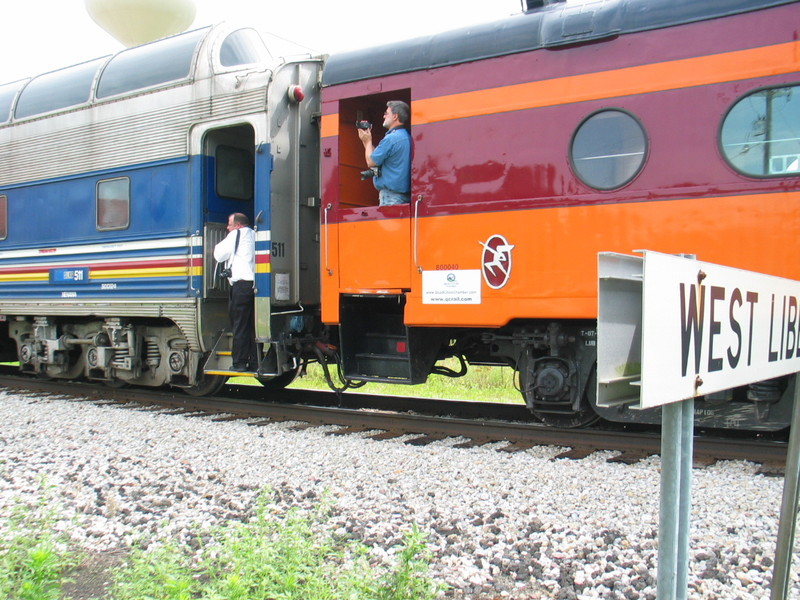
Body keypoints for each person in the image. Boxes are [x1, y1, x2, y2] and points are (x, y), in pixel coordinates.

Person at [213, 213, 257, 371]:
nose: (227, 227)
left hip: (240, 286)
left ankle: (239, 363)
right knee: (252, 326)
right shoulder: (255, 235)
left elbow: (218, 254)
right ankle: (255, 362)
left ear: (238, 225)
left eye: (229, 224)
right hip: (255, 286)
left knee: (239, 326)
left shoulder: (236, 234)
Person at [357, 100, 411, 206]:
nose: (383, 116)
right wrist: (366, 141)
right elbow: (375, 157)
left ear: (395, 116)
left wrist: (368, 141)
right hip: (403, 196)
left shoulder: (391, 139)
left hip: (390, 197)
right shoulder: (406, 137)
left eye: (386, 113)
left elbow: (371, 162)